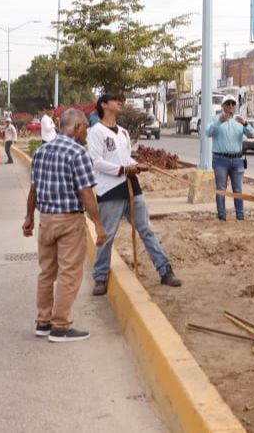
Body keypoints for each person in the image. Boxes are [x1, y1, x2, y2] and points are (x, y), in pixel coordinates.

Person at [24, 108, 109, 342]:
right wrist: (98, 225)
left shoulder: (41, 151)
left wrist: (29, 218)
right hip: (69, 220)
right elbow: (86, 192)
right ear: (78, 127)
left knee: (46, 273)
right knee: (69, 273)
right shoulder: (78, 153)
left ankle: (43, 322)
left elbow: (33, 190)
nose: (86, 134)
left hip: (47, 221)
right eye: (85, 129)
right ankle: (61, 326)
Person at [87, 93, 181, 295]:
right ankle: (100, 277)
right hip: (109, 190)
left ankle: (165, 271)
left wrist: (135, 165)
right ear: (104, 104)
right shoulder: (95, 132)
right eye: (115, 100)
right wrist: (122, 169)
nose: (120, 103)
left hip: (131, 185)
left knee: (146, 229)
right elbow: (96, 161)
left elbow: (125, 156)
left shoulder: (122, 132)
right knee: (108, 235)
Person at [206, 95, 254, 220]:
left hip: (237, 160)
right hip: (220, 160)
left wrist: (245, 124)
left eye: (233, 104)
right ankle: (222, 216)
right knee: (221, 188)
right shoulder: (215, 119)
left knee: (237, 189)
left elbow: (252, 134)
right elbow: (208, 132)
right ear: (223, 106)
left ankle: (240, 215)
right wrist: (219, 122)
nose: (231, 106)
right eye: (228, 104)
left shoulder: (239, 120)